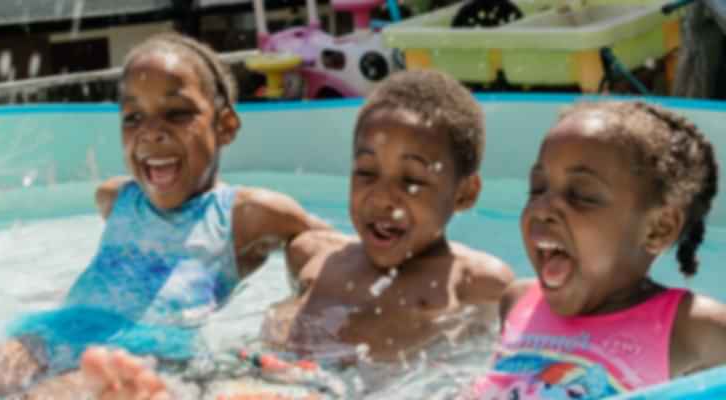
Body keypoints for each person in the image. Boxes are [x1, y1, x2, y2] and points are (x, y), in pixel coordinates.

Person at [0, 32, 329, 400]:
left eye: (176, 113)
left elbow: (323, 244)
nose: (150, 132)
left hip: (141, 356)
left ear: (224, 126)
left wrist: (300, 301)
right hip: (51, 335)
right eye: (133, 117)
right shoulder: (116, 199)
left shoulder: (245, 213)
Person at [79, 69, 515, 399]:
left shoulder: (475, 279)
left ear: (465, 193)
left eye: (412, 181)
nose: (381, 198)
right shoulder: (314, 254)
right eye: (366, 173)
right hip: (246, 367)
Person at [473, 101, 726, 399]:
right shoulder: (517, 301)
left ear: (658, 229)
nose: (543, 208)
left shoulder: (691, 326)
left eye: (581, 195)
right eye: (537, 188)